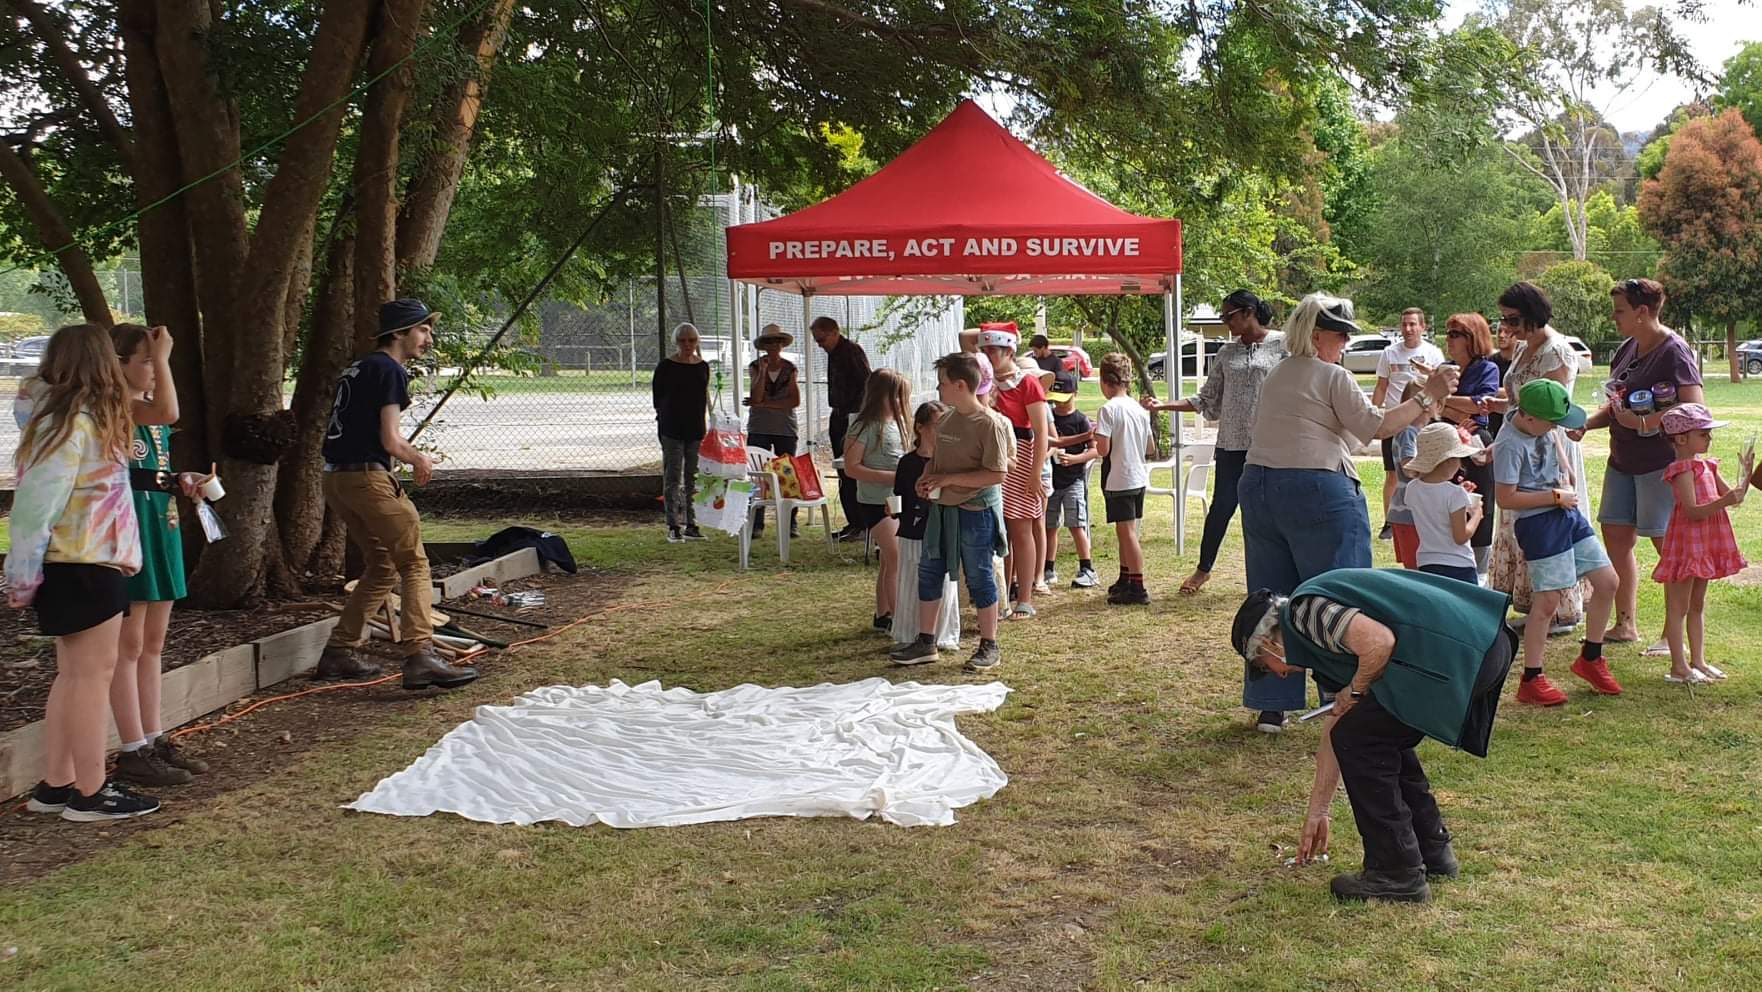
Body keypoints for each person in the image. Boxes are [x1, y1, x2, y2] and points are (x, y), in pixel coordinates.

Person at [1238, 294, 1458, 734]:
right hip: (1317, 487)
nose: (1345, 343)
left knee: (1272, 596)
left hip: (1259, 484)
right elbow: (1376, 427)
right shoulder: (1331, 375)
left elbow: (1354, 426)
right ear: (1317, 335)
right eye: (1340, 335)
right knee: (1339, 595)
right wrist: (1429, 395)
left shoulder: (1279, 372)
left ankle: (1271, 704)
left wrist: (1415, 402)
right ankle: (1341, 693)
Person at [1232, 569, 1517, 903]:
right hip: (1480, 647)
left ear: (1268, 643)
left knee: (1363, 738)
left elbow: (1380, 642)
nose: (1278, 676)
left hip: (1467, 652)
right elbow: (1337, 726)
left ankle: (1396, 872)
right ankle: (1432, 851)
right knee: (1375, 732)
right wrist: (1318, 810)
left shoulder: (1304, 613)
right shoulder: (1315, 640)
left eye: (1265, 666)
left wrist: (1354, 690)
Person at [10, 323, 152, 821]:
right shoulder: (72, 424)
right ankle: (91, 792)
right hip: (83, 561)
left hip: (83, 561)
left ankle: (57, 784)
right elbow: (36, 503)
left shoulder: (68, 420)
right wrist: (21, 573)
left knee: (74, 677)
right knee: (92, 678)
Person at [313, 299, 479, 691]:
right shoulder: (389, 369)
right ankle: (420, 655)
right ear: (399, 332)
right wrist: (419, 458)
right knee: (414, 563)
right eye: (423, 330)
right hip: (367, 478)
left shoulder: (360, 368)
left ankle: (338, 651)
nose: (429, 339)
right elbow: (390, 439)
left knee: (382, 565)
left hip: (336, 480)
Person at [107, 324, 211, 789]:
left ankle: (154, 736)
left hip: (161, 523)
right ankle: (132, 748)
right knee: (127, 645)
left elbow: (151, 463)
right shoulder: (118, 407)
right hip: (133, 530)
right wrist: (165, 358)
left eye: (156, 361)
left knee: (153, 642)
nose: (154, 369)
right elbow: (167, 411)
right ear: (119, 364)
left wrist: (180, 478)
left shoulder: (149, 414)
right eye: (146, 360)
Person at [1582, 277, 1703, 653]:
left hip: (1660, 464)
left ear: (1642, 312)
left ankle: (1672, 635)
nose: (1613, 317)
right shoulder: (1627, 348)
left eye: (1619, 311)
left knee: (1668, 546)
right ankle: (1625, 624)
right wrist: (1586, 423)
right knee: (1616, 537)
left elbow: (1694, 408)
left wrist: (1647, 423)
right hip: (1622, 460)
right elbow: (1617, 403)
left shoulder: (1674, 350)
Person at [1141, 289, 1285, 595]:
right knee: (1221, 508)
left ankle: (1271, 576)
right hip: (1231, 445)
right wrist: (1163, 405)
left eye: (1228, 316)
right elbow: (1207, 399)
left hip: (1271, 446)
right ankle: (1203, 570)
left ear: (1248, 312)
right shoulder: (1226, 353)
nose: (1224, 322)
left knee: (1268, 513)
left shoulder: (1284, 345)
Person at [1493, 379, 1621, 705]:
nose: (1556, 428)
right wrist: (1553, 496)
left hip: (1566, 513)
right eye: (1552, 422)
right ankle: (1531, 679)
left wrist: (1567, 472)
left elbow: (1554, 441)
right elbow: (1506, 498)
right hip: (1539, 524)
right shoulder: (1509, 445)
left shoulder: (1542, 426)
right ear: (1529, 417)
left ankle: (1591, 658)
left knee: (1608, 582)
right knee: (1547, 602)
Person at [889, 353, 1014, 671]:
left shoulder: (990, 424)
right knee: (929, 572)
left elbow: (997, 474)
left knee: (979, 576)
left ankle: (989, 645)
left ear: (960, 385)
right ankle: (926, 642)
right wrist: (927, 477)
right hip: (942, 510)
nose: (938, 388)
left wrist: (947, 480)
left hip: (976, 512)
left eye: (942, 383)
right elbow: (936, 460)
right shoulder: (945, 420)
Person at [1483, 284, 1591, 634]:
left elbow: (1549, 411)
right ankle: (1532, 606)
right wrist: (1501, 412)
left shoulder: (1556, 351)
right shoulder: (1522, 348)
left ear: (1532, 314)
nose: (1507, 326)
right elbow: (1522, 402)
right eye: (1503, 319)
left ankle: (1558, 610)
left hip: (1546, 450)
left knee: (1547, 524)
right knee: (1523, 525)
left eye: (1513, 319)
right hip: (1518, 442)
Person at [1652, 403, 1750, 684]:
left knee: (1697, 604)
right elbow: (1692, 511)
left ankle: (1699, 661)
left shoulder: (1707, 465)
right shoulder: (1682, 469)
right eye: (1703, 434)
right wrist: (1724, 501)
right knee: (1678, 607)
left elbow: (1735, 498)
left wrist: (1745, 473)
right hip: (1687, 544)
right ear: (1681, 438)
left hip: (1704, 543)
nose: (1709, 439)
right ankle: (1678, 666)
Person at [979, 322, 1052, 619]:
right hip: (990, 455)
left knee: (1021, 529)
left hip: (1020, 456)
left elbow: (1041, 432)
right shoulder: (984, 379)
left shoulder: (1027, 383)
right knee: (998, 530)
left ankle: (1025, 597)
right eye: (985, 350)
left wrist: (1035, 472)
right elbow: (965, 339)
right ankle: (1003, 593)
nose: (988, 355)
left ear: (1009, 351)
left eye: (994, 350)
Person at [889, 400, 961, 656]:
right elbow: (900, 495)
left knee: (945, 582)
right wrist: (894, 509)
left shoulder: (951, 462)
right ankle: (910, 632)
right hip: (914, 529)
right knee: (911, 579)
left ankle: (942, 633)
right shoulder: (908, 462)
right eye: (937, 425)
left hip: (943, 527)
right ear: (920, 428)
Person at [843, 368, 911, 633]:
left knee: (887, 560)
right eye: (897, 396)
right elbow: (852, 467)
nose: (901, 401)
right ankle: (900, 620)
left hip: (897, 501)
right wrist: (892, 478)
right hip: (874, 502)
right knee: (896, 558)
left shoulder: (899, 424)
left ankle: (883, 614)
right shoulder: (864, 426)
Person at [1433, 313, 1501, 576]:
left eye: (1454, 334)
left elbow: (1481, 406)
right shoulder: (1444, 368)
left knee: (1477, 502)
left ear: (1472, 338)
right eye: (1447, 333)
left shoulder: (1487, 368)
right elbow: (1432, 406)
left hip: (1474, 441)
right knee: (1446, 501)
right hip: (1445, 441)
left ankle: (1479, 571)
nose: (1448, 340)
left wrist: (1443, 398)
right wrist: (1454, 406)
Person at [1372, 308, 1445, 539]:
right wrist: (1373, 415)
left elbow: (1442, 385)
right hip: (1394, 420)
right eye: (1404, 324)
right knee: (1393, 474)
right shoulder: (1389, 353)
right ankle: (1390, 522)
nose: (1408, 329)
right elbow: (1381, 386)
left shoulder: (1433, 353)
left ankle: (1418, 516)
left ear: (1423, 327)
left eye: (1413, 324)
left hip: (1422, 420)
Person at [1094, 353, 1153, 605]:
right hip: (1138, 476)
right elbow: (1150, 447)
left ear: (1105, 381)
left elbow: (1103, 450)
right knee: (1125, 530)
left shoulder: (1108, 410)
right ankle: (1125, 576)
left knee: (1127, 533)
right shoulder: (1139, 409)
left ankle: (1138, 587)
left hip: (1119, 477)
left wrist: (1096, 437)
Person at [812, 315, 873, 541]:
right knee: (842, 471)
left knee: (851, 469)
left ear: (834, 332)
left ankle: (862, 523)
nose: (820, 345)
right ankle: (854, 522)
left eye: (822, 339)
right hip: (838, 413)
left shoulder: (851, 352)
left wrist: (856, 416)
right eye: (817, 341)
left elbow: (867, 384)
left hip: (852, 416)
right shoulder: (834, 353)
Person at [1402, 422, 1485, 584]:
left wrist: (1460, 494)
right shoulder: (1455, 494)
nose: (1460, 465)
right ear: (1448, 460)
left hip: (1427, 563)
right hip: (1459, 565)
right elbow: (1461, 537)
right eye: (1459, 459)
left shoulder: (1412, 488)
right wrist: (1476, 515)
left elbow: (1433, 504)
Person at [651, 321, 711, 543]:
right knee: (673, 476)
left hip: (695, 428)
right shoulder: (666, 366)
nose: (687, 344)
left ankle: (692, 523)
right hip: (672, 428)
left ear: (697, 342)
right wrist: (666, 417)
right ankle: (673, 525)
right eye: (682, 340)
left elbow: (703, 395)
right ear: (676, 342)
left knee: (693, 477)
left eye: (692, 340)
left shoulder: (702, 366)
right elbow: (657, 398)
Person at [1044, 369, 1099, 589]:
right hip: (1051, 481)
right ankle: (1048, 567)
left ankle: (1087, 567)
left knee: (1076, 524)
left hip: (1073, 480)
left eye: (1063, 399)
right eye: (1055, 399)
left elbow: (1094, 450)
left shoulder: (1081, 420)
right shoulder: (1049, 416)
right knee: (1049, 526)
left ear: (1074, 394)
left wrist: (1076, 459)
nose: (1058, 404)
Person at [745, 324, 800, 537]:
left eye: (777, 341)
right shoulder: (755, 366)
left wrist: (764, 404)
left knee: (787, 473)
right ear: (764, 346)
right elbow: (756, 396)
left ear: (782, 344)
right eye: (769, 342)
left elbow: (794, 401)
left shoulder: (790, 368)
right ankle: (756, 523)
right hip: (759, 427)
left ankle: (790, 522)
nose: (774, 346)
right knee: (758, 474)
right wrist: (763, 372)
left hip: (785, 428)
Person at [1385, 383, 1425, 571]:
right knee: (1416, 570)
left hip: (1414, 512)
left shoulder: (1420, 431)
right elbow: (1409, 467)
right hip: (1407, 513)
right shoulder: (1408, 432)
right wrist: (1435, 470)